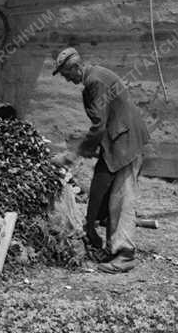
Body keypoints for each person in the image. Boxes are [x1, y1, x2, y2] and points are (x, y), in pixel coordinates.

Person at [53, 47, 148, 273]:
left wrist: (72, 155)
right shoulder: (95, 77)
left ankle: (125, 255)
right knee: (107, 196)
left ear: (76, 68)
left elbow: (99, 125)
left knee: (122, 199)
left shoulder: (95, 81)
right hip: (119, 141)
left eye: (67, 74)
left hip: (125, 143)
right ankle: (113, 247)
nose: (67, 80)